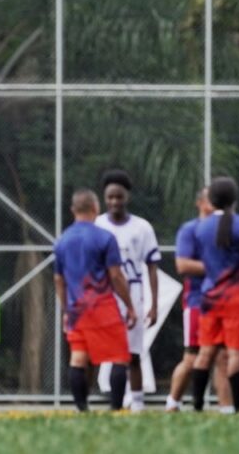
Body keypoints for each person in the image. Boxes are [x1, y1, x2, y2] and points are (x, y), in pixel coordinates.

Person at [54, 189, 137, 412]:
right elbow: (116, 276)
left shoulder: (62, 241)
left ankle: (82, 410)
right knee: (119, 357)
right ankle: (116, 409)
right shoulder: (105, 238)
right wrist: (129, 306)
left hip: (77, 310)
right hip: (103, 307)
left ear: (73, 210)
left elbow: (58, 280)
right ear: (96, 208)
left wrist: (66, 310)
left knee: (78, 358)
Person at [94, 169, 160, 412]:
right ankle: (112, 404)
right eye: (110, 197)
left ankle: (138, 404)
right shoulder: (98, 225)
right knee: (110, 354)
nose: (114, 202)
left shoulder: (142, 227)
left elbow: (152, 267)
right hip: (105, 295)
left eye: (118, 197)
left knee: (133, 354)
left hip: (132, 294)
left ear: (127, 197)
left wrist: (153, 304)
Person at [190, 176, 239, 412]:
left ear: (212, 200)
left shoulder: (201, 227)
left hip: (209, 297)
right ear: (234, 199)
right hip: (237, 298)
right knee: (236, 354)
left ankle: (196, 406)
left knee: (205, 352)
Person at [166, 188, 219, 412]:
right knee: (192, 357)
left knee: (224, 358)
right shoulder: (190, 230)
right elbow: (183, 265)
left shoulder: (225, 228)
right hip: (198, 301)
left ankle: (228, 407)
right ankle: (172, 403)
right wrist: (219, 268)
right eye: (210, 198)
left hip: (224, 300)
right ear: (200, 203)